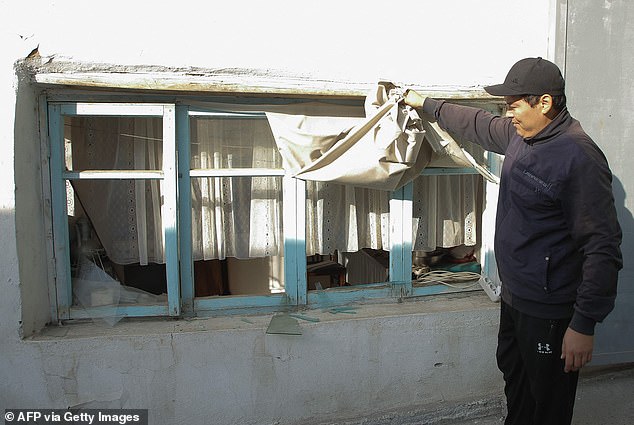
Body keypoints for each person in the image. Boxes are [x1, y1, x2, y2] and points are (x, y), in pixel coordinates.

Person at [404, 57, 622, 425]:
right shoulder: (520, 136)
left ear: (545, 103)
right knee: (516, 383)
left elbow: (602, 247)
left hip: (551, 310)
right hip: (515, 297)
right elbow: (476, 123)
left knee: (548, 402)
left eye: (514, 106)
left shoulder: (578, 157)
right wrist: (425, 104)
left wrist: (583, 324)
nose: (509, 115)